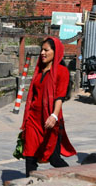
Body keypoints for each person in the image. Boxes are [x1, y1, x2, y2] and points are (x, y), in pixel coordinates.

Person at [21, 36, 76, 177]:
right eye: (41, 50)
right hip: (34, 118)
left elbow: (59, 97)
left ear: (55, 51)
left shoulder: (62, 71)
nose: (42, 53)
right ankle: (29, 184)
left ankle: (71, 176)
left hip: (50, 118)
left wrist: (54, 115)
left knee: (53, 157)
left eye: (46, 50)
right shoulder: (39, 71)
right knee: (30, 155)